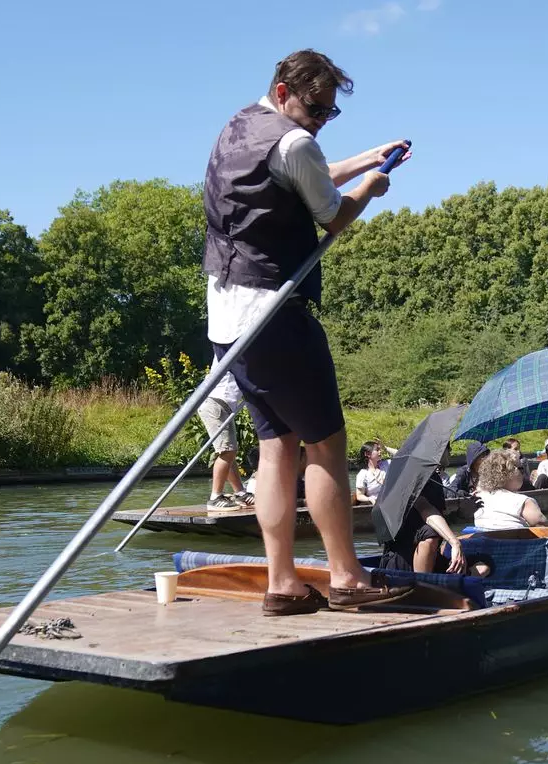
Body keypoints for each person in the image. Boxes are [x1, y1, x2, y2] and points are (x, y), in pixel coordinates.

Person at [204, 50, 410, 617]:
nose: (320, 119)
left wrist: (365, 158)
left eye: (330, 113)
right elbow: (333, 216)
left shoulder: (241, 125)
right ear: (283, 90)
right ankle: (347, 577)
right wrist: (371, 187)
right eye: (315, 108)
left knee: (276, 448)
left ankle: (283, 584)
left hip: (228, 317)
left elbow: (302, 176)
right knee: (325, 444)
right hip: (275, 313)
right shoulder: (296, 143)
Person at [380, 465, 482, 575]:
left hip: (432, 557)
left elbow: (440, 518)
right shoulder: (412, 476)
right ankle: (424, 585)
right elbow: (425, 509)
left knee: (483, 567)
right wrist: (454, 542)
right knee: (431, 532)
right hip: (403, 561)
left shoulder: (433, 477)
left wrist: (463, 512)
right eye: (447, 449)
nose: (448, 451)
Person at [196, 361, 253, 511]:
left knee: (229, 451)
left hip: (222, 405)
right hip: (216, 403)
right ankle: (215, 497)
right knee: (227, 451)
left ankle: (240, 492)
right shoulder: (233, 345)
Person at [472, 449, 547, 531]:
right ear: (509, 473)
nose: (523, 473)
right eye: (521, 469)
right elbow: (545, 530)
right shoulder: (524, 502)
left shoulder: (478, 498)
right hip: (517, 542)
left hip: (486, 540)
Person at [354, 439, 387, 504]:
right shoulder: (363, 474)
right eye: (377, 450)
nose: (380, 451)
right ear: (368, 454)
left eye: (380, 449)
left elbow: (402, 454)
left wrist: (386, 448)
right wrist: (370, 499)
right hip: (376, 505)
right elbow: (359, 495)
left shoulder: (386, 464)